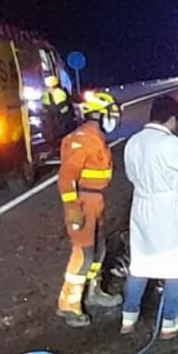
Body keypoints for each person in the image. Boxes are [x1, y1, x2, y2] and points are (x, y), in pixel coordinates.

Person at [121, 95, 178, 339]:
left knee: (140, 264)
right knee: (176, 268)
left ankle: (128, 318)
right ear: (171, 119)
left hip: (142, 209)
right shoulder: (170, 144)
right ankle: (168, 322)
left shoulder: (133, 142)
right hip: (170, 213)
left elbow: (131, 176)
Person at [56, 90, 124, 327]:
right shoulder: (82, 139)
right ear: (99, 114)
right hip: (83, 202)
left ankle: (92, 292)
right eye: (111, 114)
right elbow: (66, 177)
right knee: (83, 254)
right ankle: (69, 304)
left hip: (95, 201)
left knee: (98, 252)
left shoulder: (95, 138)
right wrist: (72, 207)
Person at [43, 74, 75, 140]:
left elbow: (49, 108)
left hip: (59, 121)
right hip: (61, 121)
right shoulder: (58, 92)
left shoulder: (53, 93)